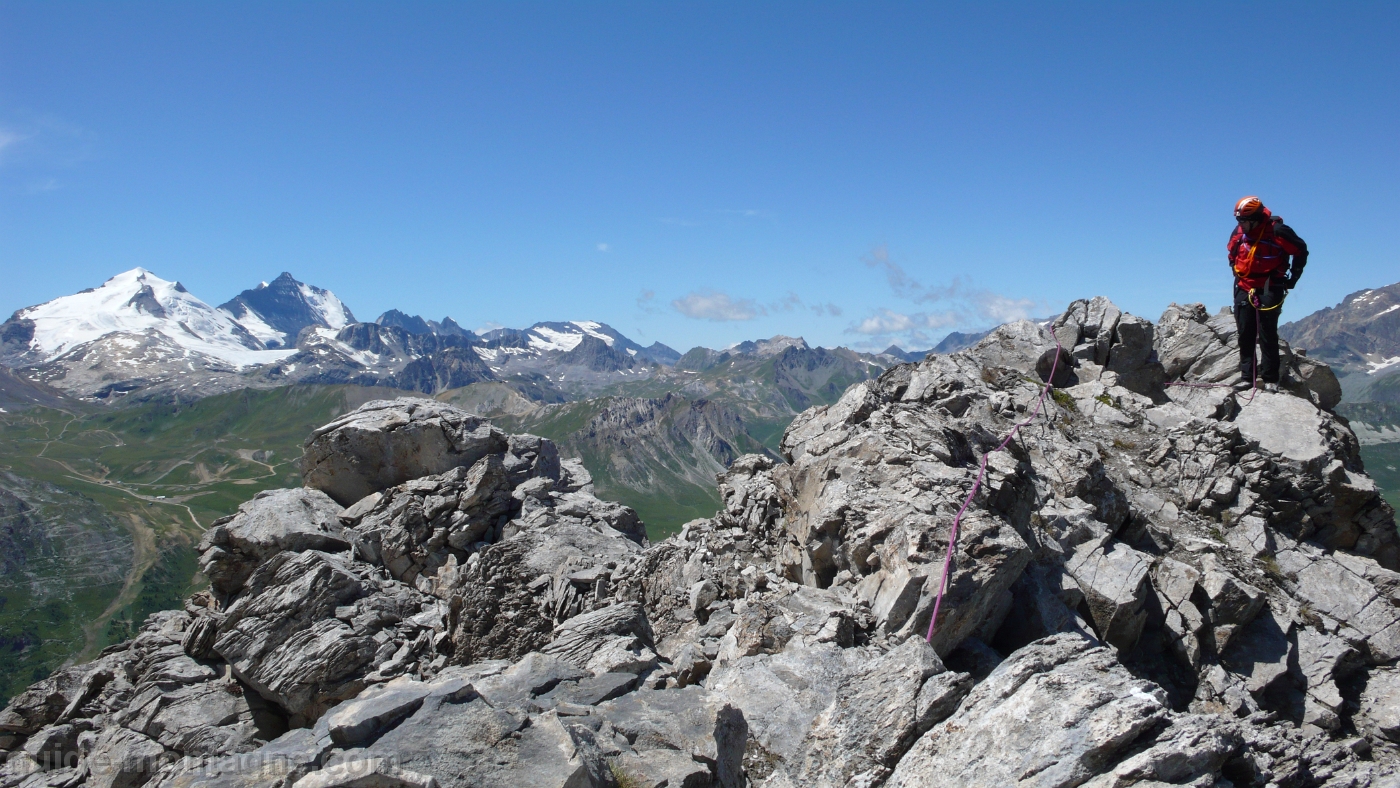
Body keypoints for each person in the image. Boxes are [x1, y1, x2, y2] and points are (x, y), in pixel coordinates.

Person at [1228, 196, 1308, 392]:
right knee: (1245, 333)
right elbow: (1232, 253)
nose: (1241, 225)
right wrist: (1237, 274)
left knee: (1267, 332)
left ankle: (1271, 378)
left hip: (1270, 286)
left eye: (1244, 221)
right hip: (1244, 285)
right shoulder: (1240, 231)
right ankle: (1248, 378)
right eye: (1239, 221)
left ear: (1255, 218)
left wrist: (1292, 279)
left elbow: (1301, 251)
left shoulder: (1277, 231)